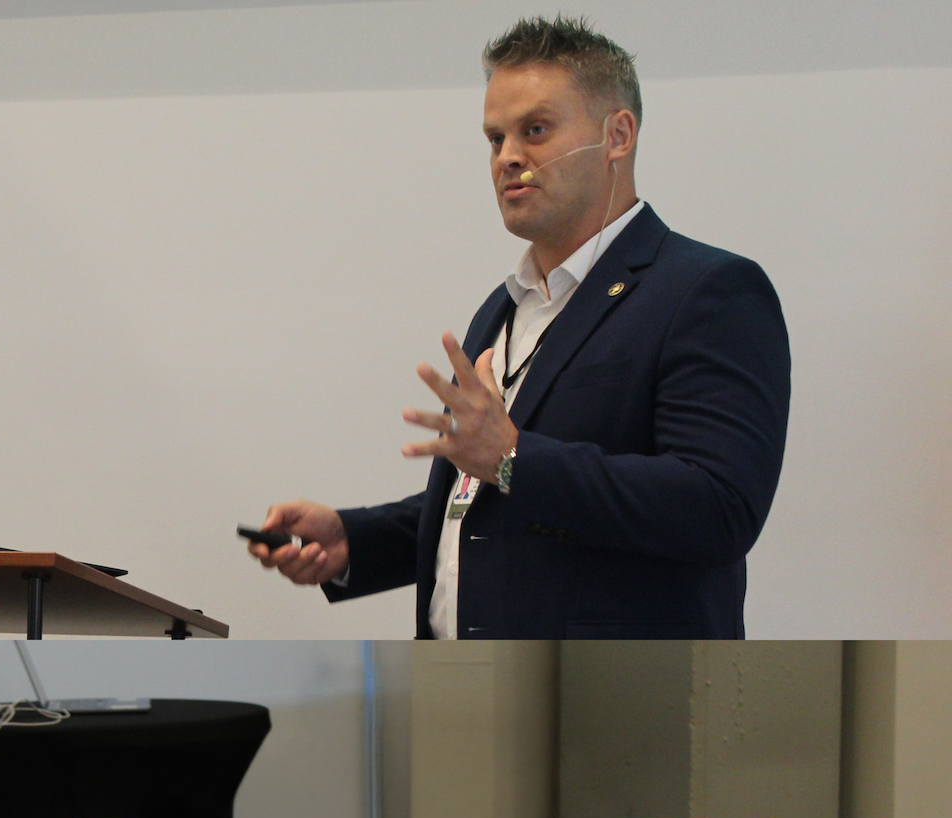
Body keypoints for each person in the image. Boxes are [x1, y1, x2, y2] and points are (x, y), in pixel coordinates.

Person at [250, 17, 789, 639]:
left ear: (618, 135)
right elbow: (486, 501)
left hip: (618, 709)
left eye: (535, 130)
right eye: (494, 138)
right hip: (467, 701)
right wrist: (356, 540)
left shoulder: (706, 291)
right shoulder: (504, 307)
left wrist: (510, 456)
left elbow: (718, 509)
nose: (508, 157)